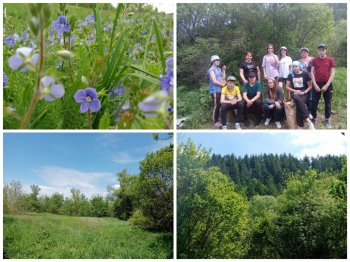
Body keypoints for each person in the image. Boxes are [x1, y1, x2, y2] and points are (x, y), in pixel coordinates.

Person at [310, 44, 336, 128]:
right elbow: (312, 73)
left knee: (328, 103)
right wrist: (315, 85)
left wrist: (327, 85)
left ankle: (327, 119)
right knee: (314, 102)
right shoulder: (314, 60)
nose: (321, 51)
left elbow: (333, 73)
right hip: (316, 83)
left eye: (323, 49)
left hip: (327, 83)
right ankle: (313, 118)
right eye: (319, 50)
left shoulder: (330, 60)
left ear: (326, 50)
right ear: (318, 51)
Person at [286, 61, 315, 129]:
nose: (294, 68)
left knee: (299, 104)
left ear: (299, 66)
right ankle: (307, 119)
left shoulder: (305, 74)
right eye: (293, 66)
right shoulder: (291, 75)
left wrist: (304, 92)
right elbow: (287, 87)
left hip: (304, 93)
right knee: (297, 98)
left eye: (296, 66)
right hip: (295, 92)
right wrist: (295, 90)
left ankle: (300, 126)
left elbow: (310, 86)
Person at [208, 55, 226, 128]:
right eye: (216, 60)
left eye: (219, 60)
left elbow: (223, 78)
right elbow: (214, 81)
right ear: (213, 61)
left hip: (220, 90)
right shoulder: (211, 70)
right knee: (216, 105)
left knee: (220, 105)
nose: (218, 61)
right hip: (214, 90)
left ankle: (218, 119)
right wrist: (222, 85)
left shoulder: (218, 69)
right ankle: (215, 121)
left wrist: (224, 70)